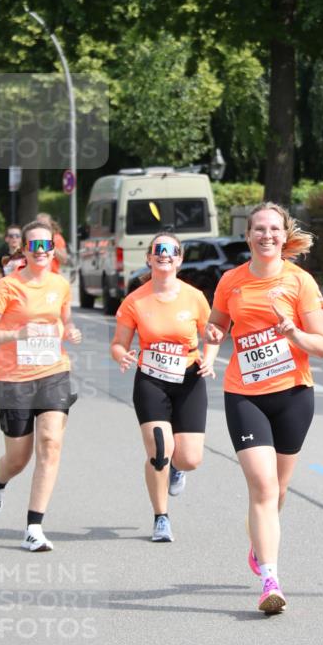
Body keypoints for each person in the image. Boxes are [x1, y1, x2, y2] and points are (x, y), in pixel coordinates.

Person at [205, 202, 323, 614]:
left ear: (283, 234)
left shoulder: (300, 282)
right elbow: (217, 327)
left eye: (274, 229)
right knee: (262, 487)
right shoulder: (231, 282)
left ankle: (258, 547)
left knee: (278, 491)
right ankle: (270, 580)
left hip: (294, 393)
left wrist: (292, 331)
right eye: (259, 229)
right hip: (244, 394)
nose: (266, 235)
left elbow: (322, 346)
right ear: (248, 235)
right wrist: (208, 344)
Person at [0, 219, 82, 552]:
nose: (41, 251)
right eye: (34, 245)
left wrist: (71, 332)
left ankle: (34, 527)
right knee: (18, 458)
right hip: (13, 379)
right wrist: (15, 335)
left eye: (46, 245)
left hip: (53, 372)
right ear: (23, 249)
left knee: (50, 443)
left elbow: (63, 322)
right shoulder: (7, 287)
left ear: (53, 249)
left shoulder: (60, 285)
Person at [110, 232, 218, 543]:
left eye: (172, 251)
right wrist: (123, 355)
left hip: (188, 378)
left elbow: (211, 335)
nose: (165, 255)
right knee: (160, 449)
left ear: (180, 259)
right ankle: (161, 518)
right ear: (149, 257)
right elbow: (118, 343)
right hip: (151, 380)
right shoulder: (135, 300)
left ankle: (177, 469)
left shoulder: (194, 296)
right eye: (159, 250)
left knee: (189, 458)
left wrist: (209, 358)